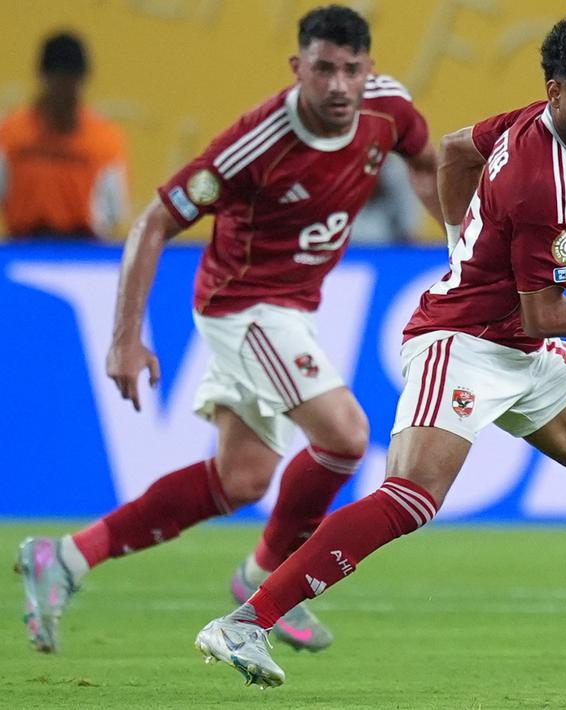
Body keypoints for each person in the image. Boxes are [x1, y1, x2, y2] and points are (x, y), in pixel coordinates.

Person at [192, 10, 566, 689]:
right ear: (557, 92)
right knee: (410, 496)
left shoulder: (533, 120)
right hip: (463, 342)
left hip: (516, 342)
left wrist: (463, 237)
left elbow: (456, 149)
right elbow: (545, 311)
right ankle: (246, 622)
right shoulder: (545, 182)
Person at [15, 5, 443, 655]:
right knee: (346, 436)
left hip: (292, 308)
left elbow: (424, 160)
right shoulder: (258, 142)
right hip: (242, 304)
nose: (336, 85)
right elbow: (153, 221)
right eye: (321, 68)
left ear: (368, 72)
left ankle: (66, 558)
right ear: (296, 67)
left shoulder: (390, 110)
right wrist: (125, 337)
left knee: (241, 478)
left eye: (350, 70)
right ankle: (265, 576)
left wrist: (461, 238)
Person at [0, 31, 127, 240]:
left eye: (73, 80)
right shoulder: (11, 134)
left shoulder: (104, 139)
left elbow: (112, 213)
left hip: (83, 246)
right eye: (60, 80)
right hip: (25, 244)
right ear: (43, 77)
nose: (66, 91)